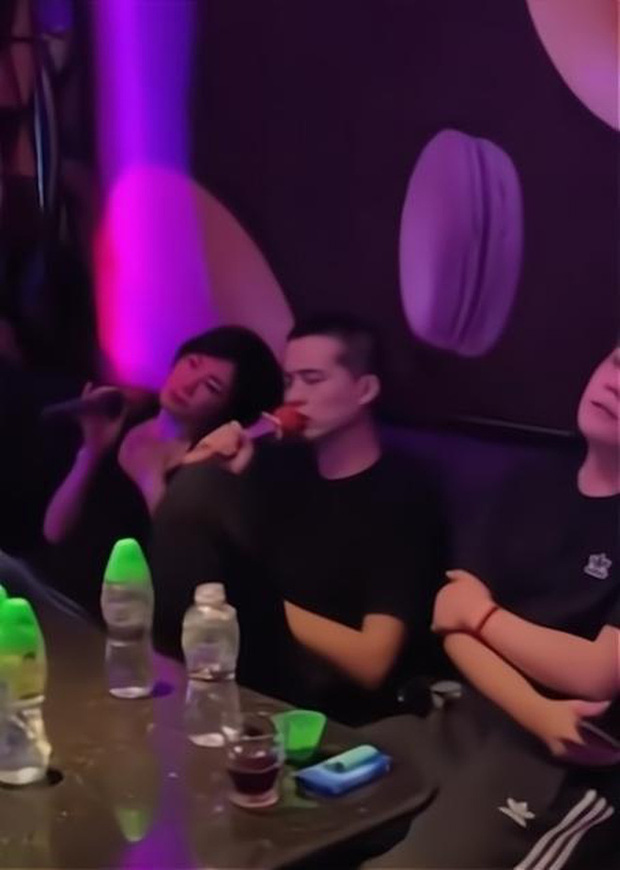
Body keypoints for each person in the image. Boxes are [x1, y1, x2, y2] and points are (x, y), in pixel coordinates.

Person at [364, 347, 620, 869]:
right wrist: (534, 708)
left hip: (566, 765)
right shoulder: (533, 481)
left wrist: (483, 616)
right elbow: (448, 618)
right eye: (617, 364)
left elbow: (598, 673)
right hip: (469, 715)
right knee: (289, 786)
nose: (615, 384)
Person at [178, 313, 445, 723]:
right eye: (289, 382)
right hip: (252, 681)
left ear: (365, 389)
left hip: (335, 711)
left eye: (312, 380)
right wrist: (219, 470)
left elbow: (372, 661)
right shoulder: (279, 468)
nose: (295, 397)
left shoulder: (401, 494)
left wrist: (259, 602)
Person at [38, 326, 283, 618]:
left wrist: (150, 480)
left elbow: (185, 570)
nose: (188, 384)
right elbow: (54, 531)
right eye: (192, 363)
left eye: (211, 386)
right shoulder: (124, 419)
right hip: (56, 593)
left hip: (120, 619)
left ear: (229, 409)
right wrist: (91, 450)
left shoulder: (206, 468)